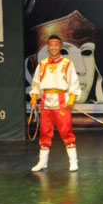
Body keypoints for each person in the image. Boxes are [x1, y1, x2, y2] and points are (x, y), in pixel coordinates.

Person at [30, 35, 82, 172]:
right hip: (46, 100)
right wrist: (34, 97)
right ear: (48, 47)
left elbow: (74, 82)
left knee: (66, 130)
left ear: (61, 47)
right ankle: (42, 162)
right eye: (51, 45)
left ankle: (73, 161)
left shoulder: (67, 63)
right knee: (45, 131)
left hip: (62, 99)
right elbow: (36, 83)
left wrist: (72, 99)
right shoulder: (42, 64)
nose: (53, 48)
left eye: (56, 45)